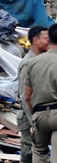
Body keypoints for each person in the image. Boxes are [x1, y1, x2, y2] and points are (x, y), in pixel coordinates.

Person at [24, 23, 57, 163]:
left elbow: (27, 96)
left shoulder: (32, 62)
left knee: (38, 150)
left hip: (39, 115)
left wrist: (34, 118)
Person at [18, 26, 49, 163]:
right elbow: (25, 97)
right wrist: (33, 122)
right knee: (29, 155)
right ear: (35, 40)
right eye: (47, 39)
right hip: (30, 118)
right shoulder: (28, 64)